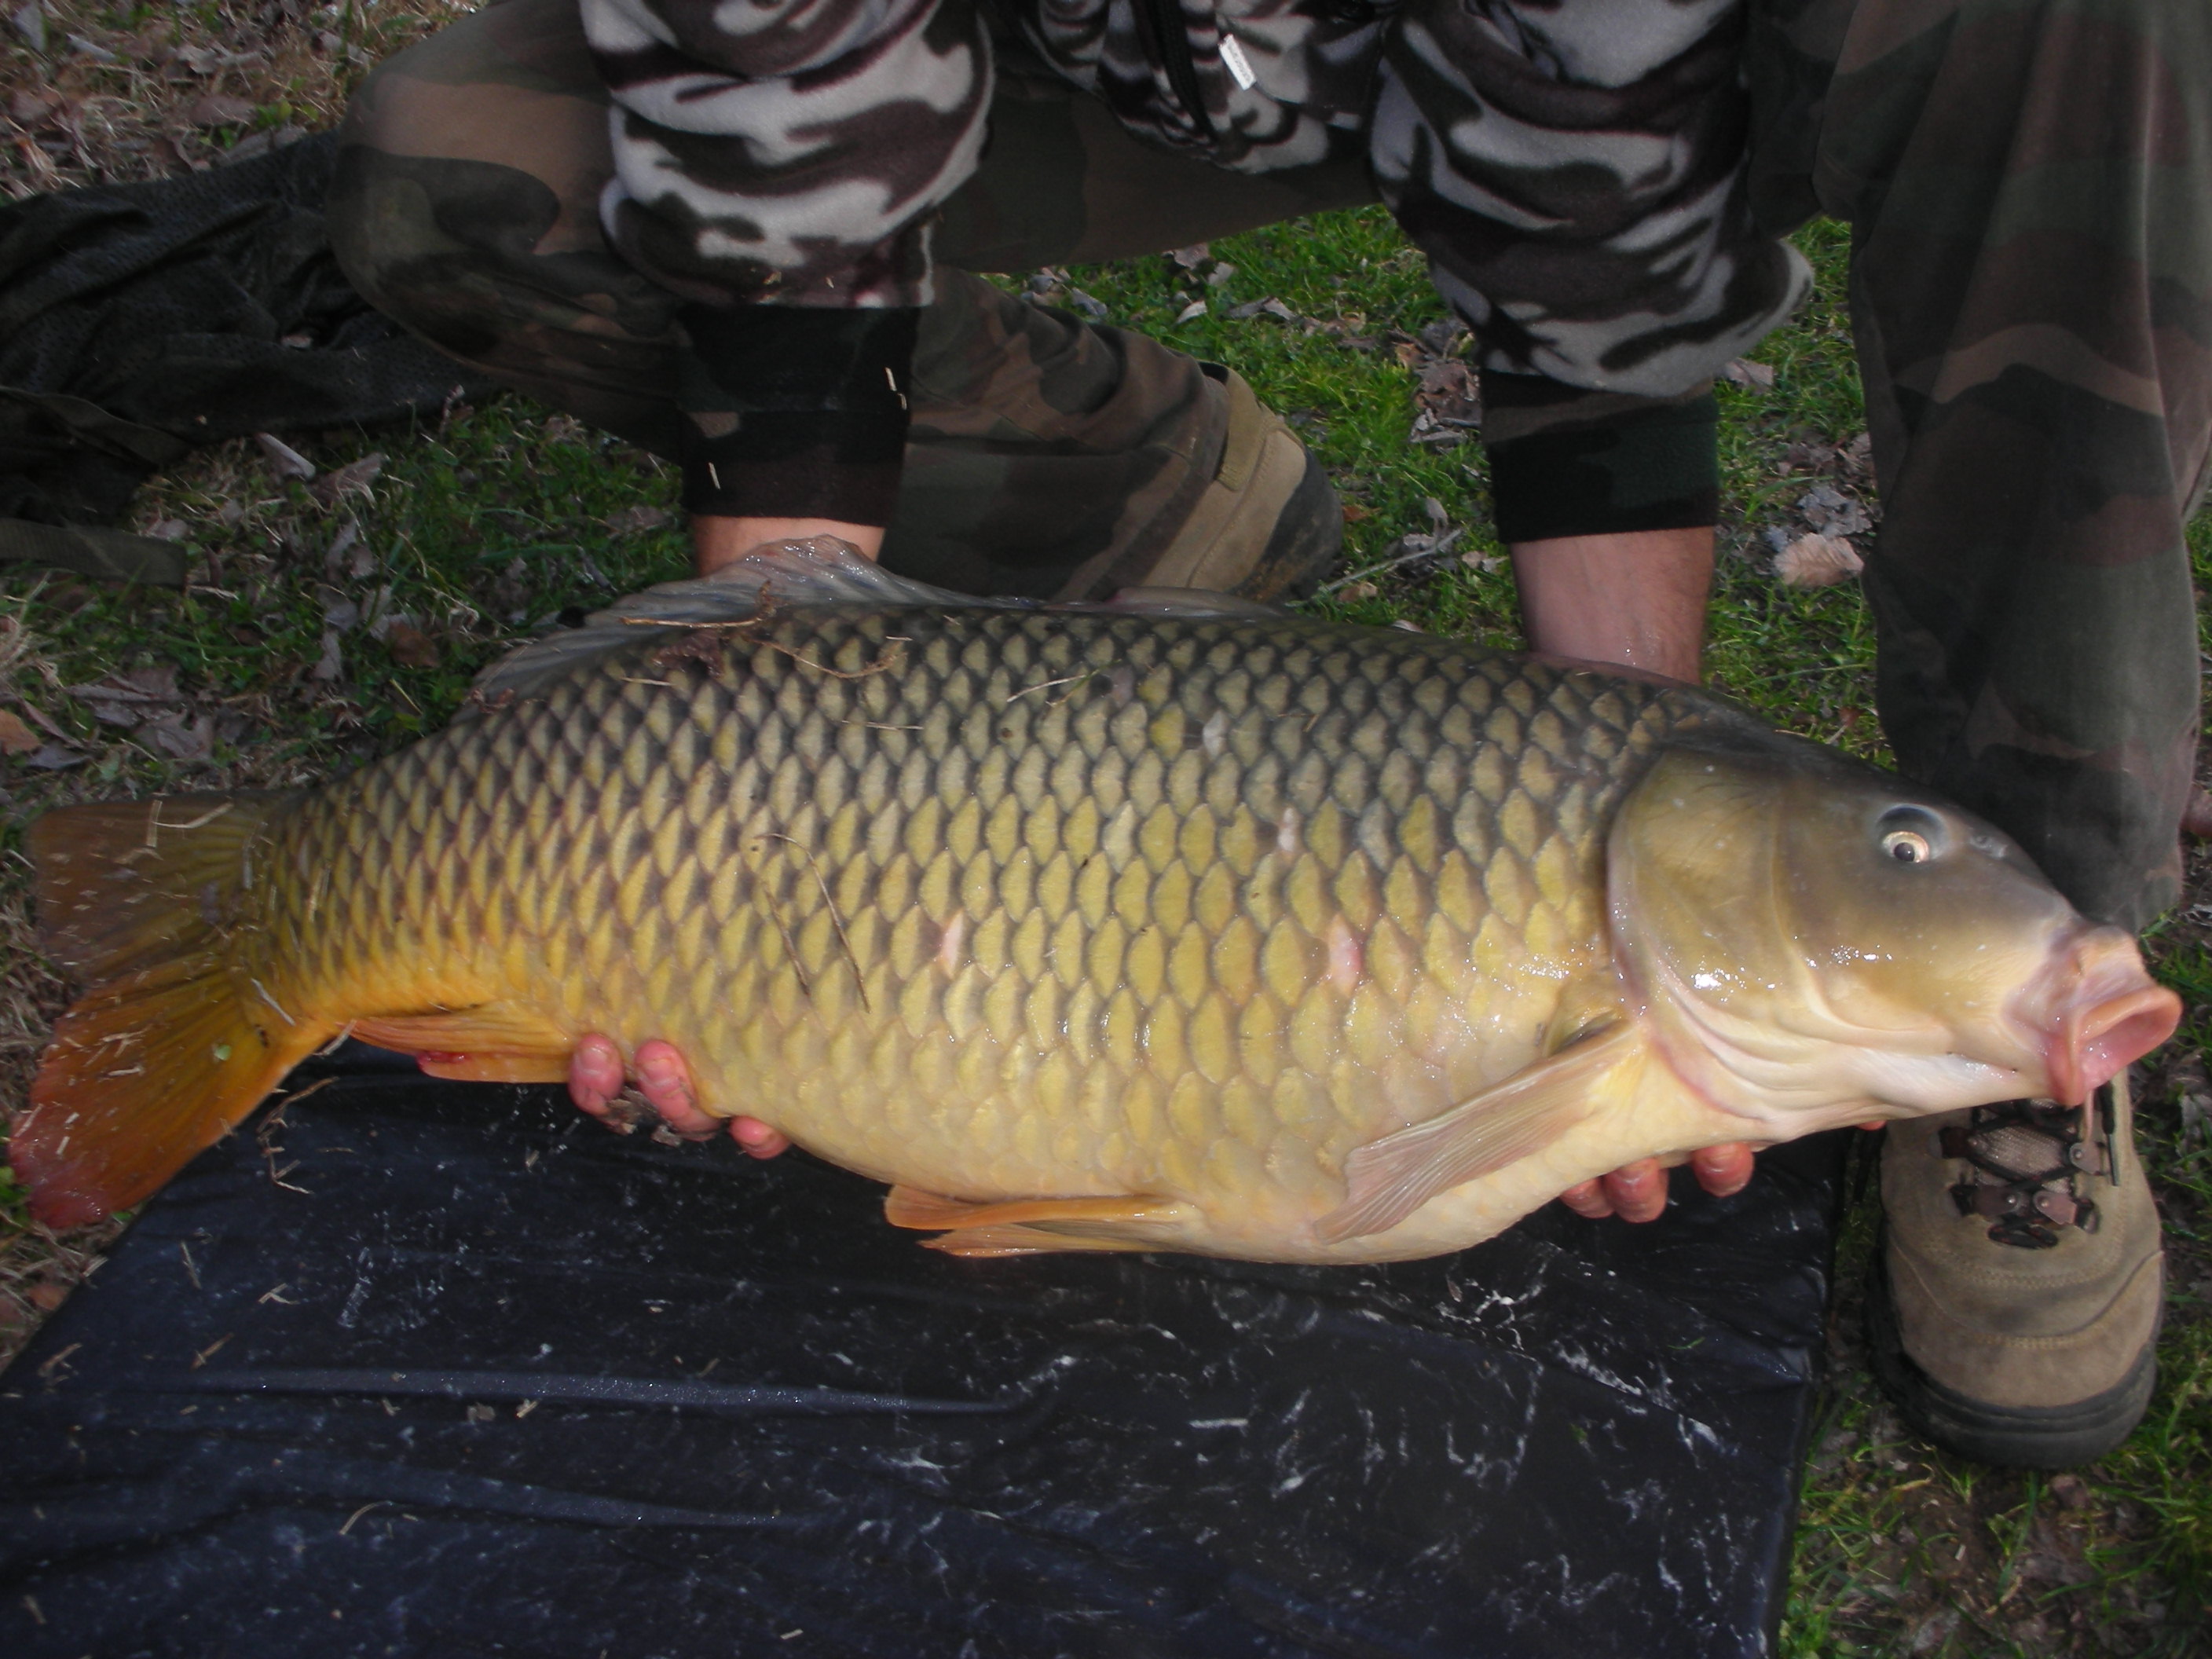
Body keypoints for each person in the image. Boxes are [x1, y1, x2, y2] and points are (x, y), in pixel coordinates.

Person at [327, 0, 2210, 1468]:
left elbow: (1588, 235)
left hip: (1537, 56)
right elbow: (774, 137)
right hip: (1077, 62)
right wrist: (729, 806)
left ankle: (2019, 1034)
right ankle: (1140, 504)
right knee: (473, 157)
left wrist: (1627, 802)